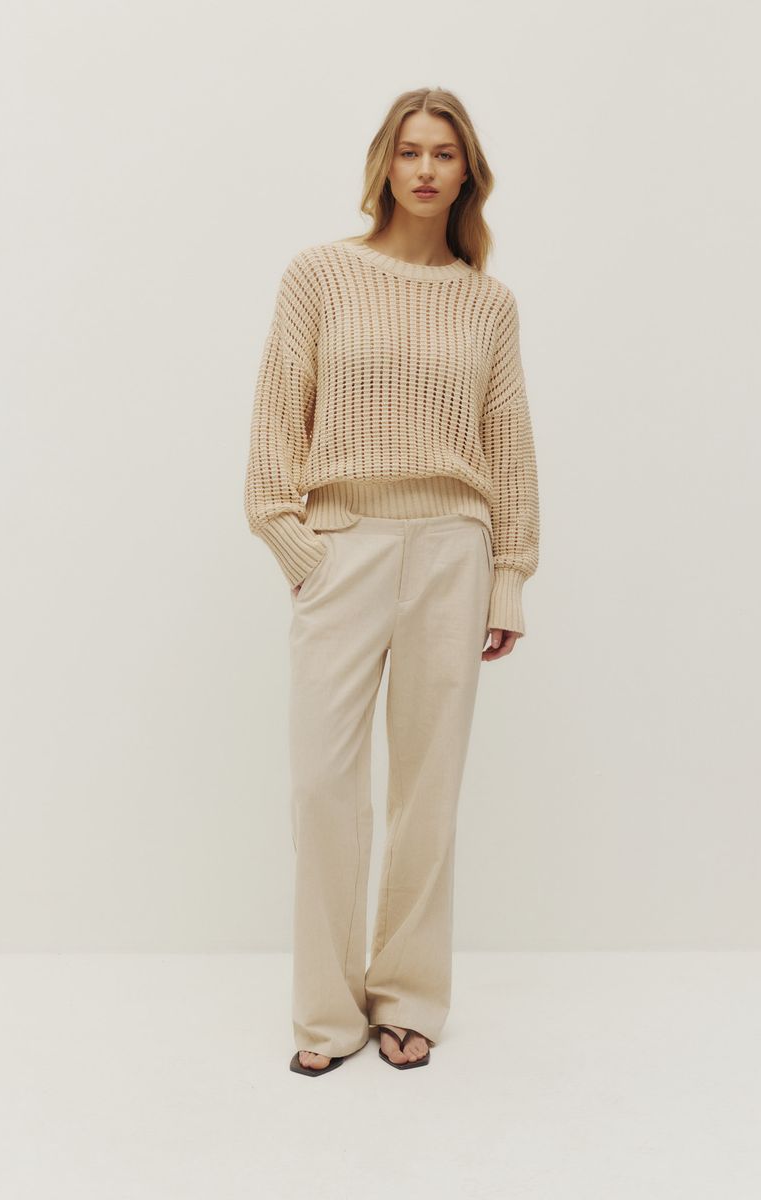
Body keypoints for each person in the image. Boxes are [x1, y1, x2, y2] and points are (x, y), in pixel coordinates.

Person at [243, 87, 540, 1076]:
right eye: (409, 150)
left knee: (427, 791)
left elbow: (509, 449)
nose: (424, 169)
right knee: (322, 786)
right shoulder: (319, 276)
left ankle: (409, 996)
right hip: (343, 547)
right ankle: (326, 1014)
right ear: (384, 162)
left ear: (466, 174)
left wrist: (507, 578)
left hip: (452, 552)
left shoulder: (487, 303)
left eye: (443, 154)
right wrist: (297, 546)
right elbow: (274, 426)